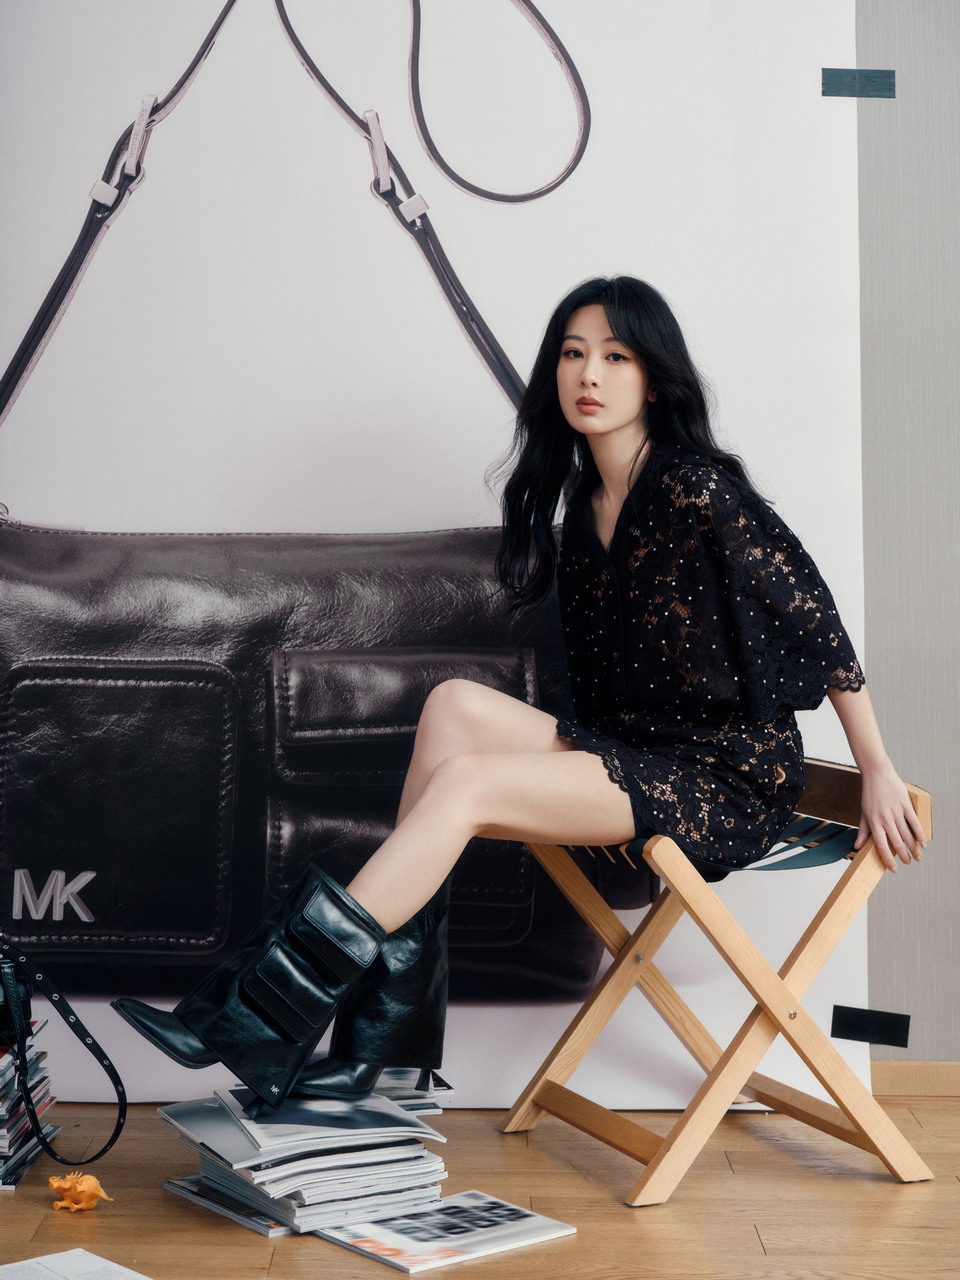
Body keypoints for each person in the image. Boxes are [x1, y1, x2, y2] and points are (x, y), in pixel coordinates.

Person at [114, 276, 926, 1109]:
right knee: (453, 705)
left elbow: (815, 619)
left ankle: (254, 1014)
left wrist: (878, 768)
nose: (590, 374)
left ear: (655, 379)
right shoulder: (588, 503)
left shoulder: (696, 489)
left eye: (616, 356)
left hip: (722, 778)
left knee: (466, 786)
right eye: (574, 354)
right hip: (638, 752)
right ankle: (385, 1047)